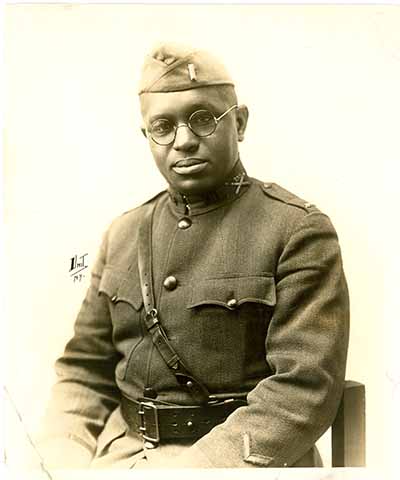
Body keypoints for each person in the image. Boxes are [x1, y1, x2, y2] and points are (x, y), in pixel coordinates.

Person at [37, 43, 350, 469]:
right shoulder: (124, 233)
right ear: (146, 137)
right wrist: (59, 455)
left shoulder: (297, 231)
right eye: (163, 127)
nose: (183, 141)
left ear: (239, 122)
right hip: (120, 457)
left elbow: (303, 389)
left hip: (238, 465)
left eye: (202, 119)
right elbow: (83, 371)